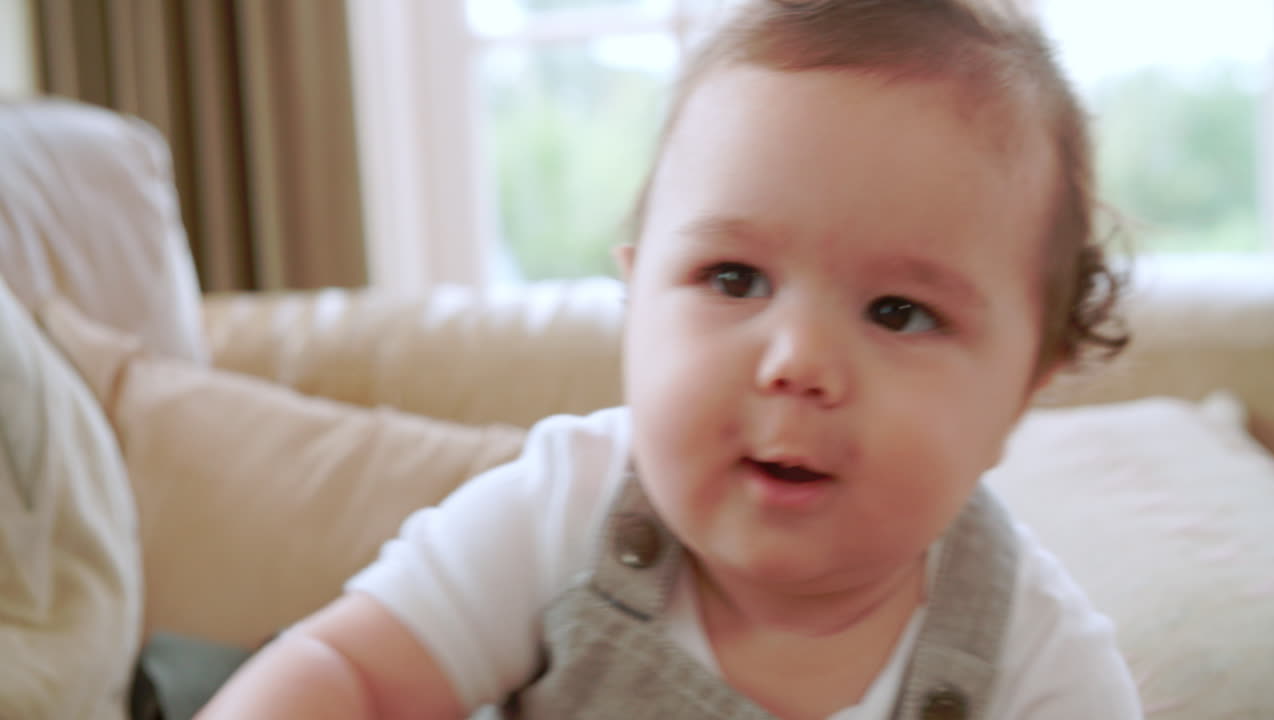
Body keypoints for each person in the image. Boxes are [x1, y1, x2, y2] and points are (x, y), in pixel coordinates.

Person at [199, 0, 1142, 717]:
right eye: (734, 279)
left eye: (898, 312)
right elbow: (351, 674)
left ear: (1024, 389)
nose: (798, 362)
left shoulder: (1037, 661)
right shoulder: (564, 511)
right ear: (634, 296)